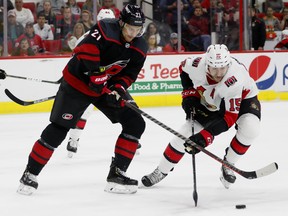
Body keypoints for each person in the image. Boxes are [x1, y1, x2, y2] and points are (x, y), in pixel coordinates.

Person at [17, 4, 147, 196]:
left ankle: (116, 175)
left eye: (138, 29)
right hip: (77, 83)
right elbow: (84, 48)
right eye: (130, 28)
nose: (133, 33)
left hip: (104, 88)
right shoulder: (104, 28)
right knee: (60, 128)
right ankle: (30, 174)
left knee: (135, 123)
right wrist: (95, 74)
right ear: (121, 23)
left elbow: (130, 73)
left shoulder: (140, 46)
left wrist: (118, 87)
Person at [141, 44, 261, 189]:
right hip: (211, 100)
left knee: (250, 129)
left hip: (244, 98)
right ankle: (161, 171)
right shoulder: (196, 64)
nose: (218, 73)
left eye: (222, 68)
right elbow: (182, 70)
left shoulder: (234, 79)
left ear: (228, 64)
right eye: (214, 68)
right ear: (207, 65)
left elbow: (229, 118)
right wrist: (189, 94)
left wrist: (204, 137)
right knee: (185, 133)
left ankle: (228, 164)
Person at [65, 8, 116, 158]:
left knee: (122, 104)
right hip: (89, 79)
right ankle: (73, 139)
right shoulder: (87, 37)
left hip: (108, 79)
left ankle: (130, 134)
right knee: (85, 110)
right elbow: (75, 59)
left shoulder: (118, 39)